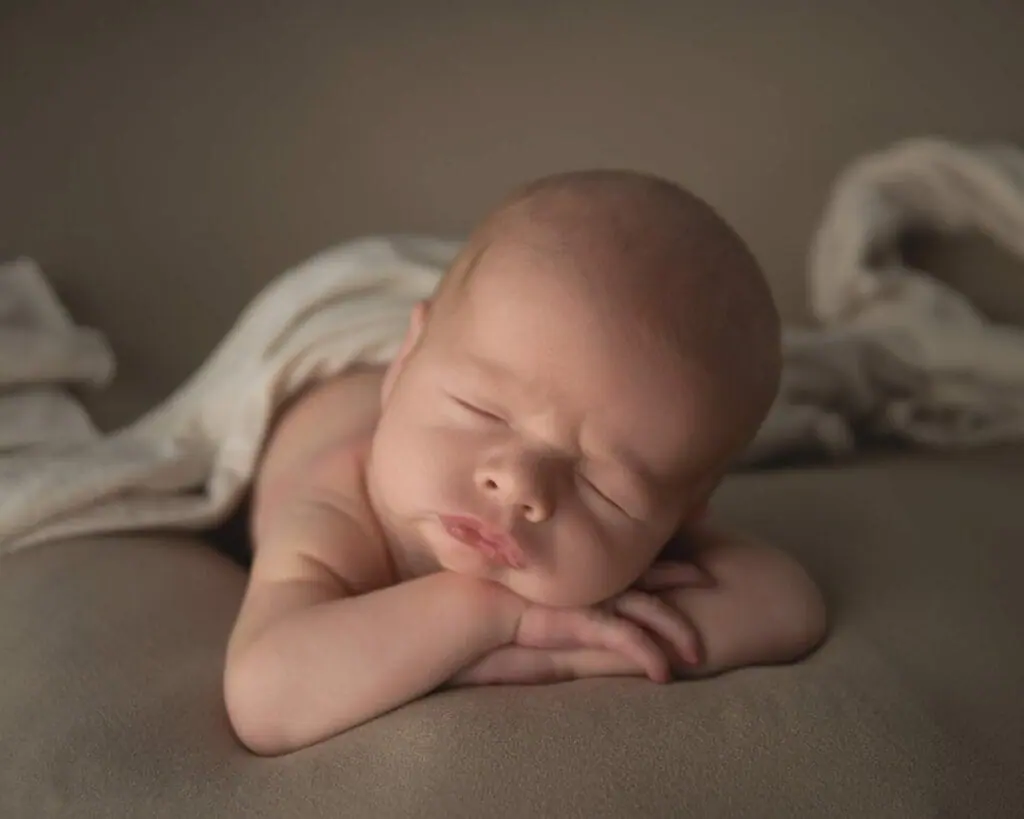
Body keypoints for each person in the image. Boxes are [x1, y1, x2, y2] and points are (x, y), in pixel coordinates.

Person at [223, 170, 827, 756]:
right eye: (480, 411)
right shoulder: (336, 502)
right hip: (337, 361)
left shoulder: (644, 500)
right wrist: (501, 617)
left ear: (682, 516)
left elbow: (787, 604)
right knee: (519, 311)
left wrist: (569, 652)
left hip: (504, 351)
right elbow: (267, 698)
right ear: (404, 366)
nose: (518, 485)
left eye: (602, 486)